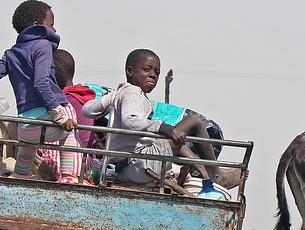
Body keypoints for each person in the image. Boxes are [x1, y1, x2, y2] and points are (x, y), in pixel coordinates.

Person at [0, 0, 78, 179]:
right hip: (47, 120)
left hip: (25, 126)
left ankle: (19, 180)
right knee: (69, 135)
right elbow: (41, 83)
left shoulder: (11, 53)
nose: (54, 30)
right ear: (37, 25)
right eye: (51, 24)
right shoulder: (42, 45)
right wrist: (59, 115)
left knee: (24, 162)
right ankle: (70, 178)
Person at [81, 49, 219, 187]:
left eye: (156, 72)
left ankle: (200, 168)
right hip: (140, 164)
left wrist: (110, 98)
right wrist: (163, 127)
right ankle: (216, 176)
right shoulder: (133, 93)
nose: (153, 75)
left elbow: (87, 110)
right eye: (147, 69)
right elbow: (130, 121)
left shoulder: (122, 93)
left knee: (173, 136)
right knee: (194, 121)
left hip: (126, 169)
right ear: (130, 71)